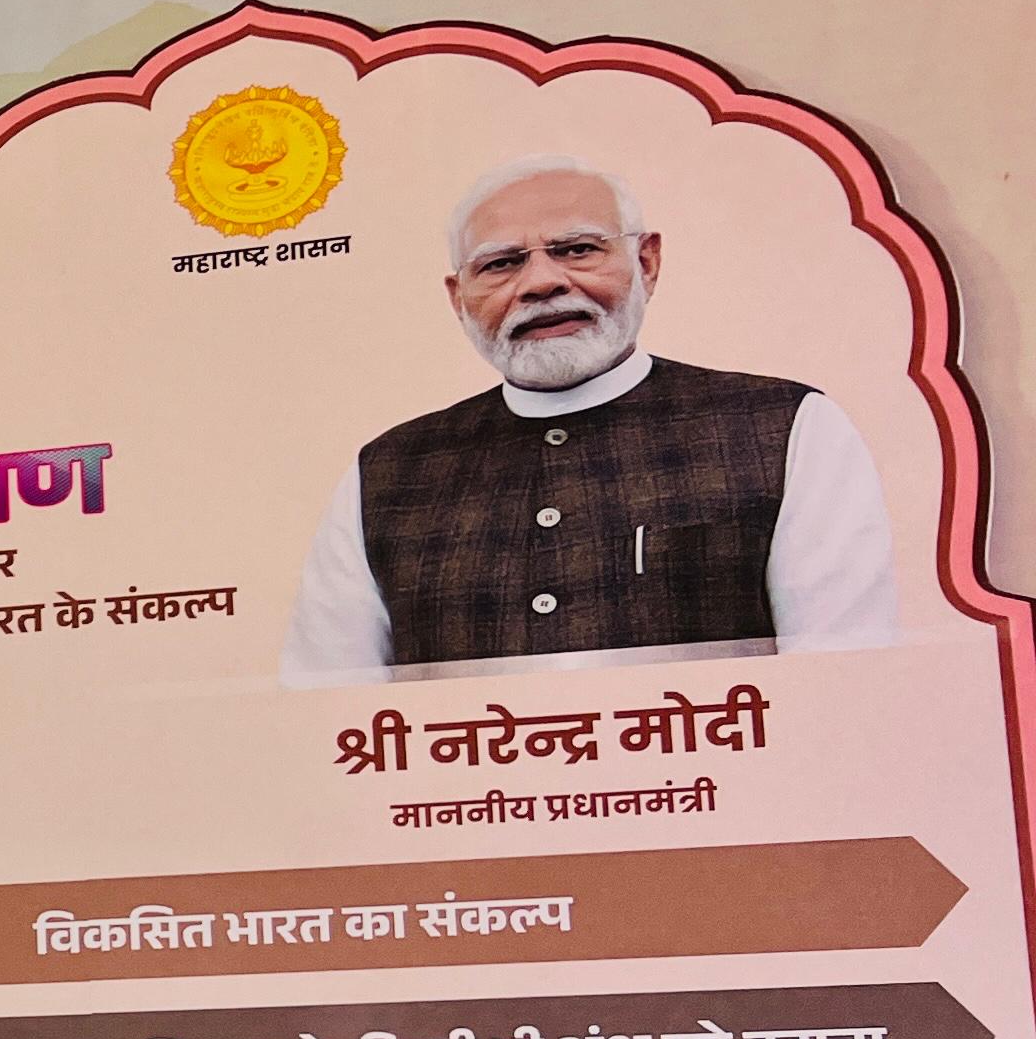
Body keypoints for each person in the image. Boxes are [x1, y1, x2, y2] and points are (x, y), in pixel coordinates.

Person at [281, 159, 899, 683]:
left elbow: (842, 686)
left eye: (577, 250)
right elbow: (329, 712)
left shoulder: (784, 428)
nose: (541, 283)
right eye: (500, 264)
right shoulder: (387, 472)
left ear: (647, 262)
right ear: (458, 297)